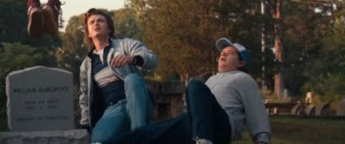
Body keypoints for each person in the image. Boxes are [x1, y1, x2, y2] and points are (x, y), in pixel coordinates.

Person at [98, 38, 271, 144]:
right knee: (146, 133)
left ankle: (203, 140)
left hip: (220, 126)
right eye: (222, 53)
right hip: (194, 124)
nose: (222, 55)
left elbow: (257, 111)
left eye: (229, 53)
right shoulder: (211, 79)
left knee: (194, 85)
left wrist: (262, 140)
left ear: (241, 63)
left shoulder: (243, 79)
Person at [79, 8, 158, 143]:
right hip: (113, 109)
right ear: (89, 34)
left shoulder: (125, 44)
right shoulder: (86, 65)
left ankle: (140, 136)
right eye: (91, 22)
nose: (96, 24)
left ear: (109, 29)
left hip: (137, 100)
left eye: (100, 21)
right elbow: (84, 97)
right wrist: (86, 125)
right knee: (98, 141)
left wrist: (133, 59)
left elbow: (152, 59)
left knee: (131, 79)